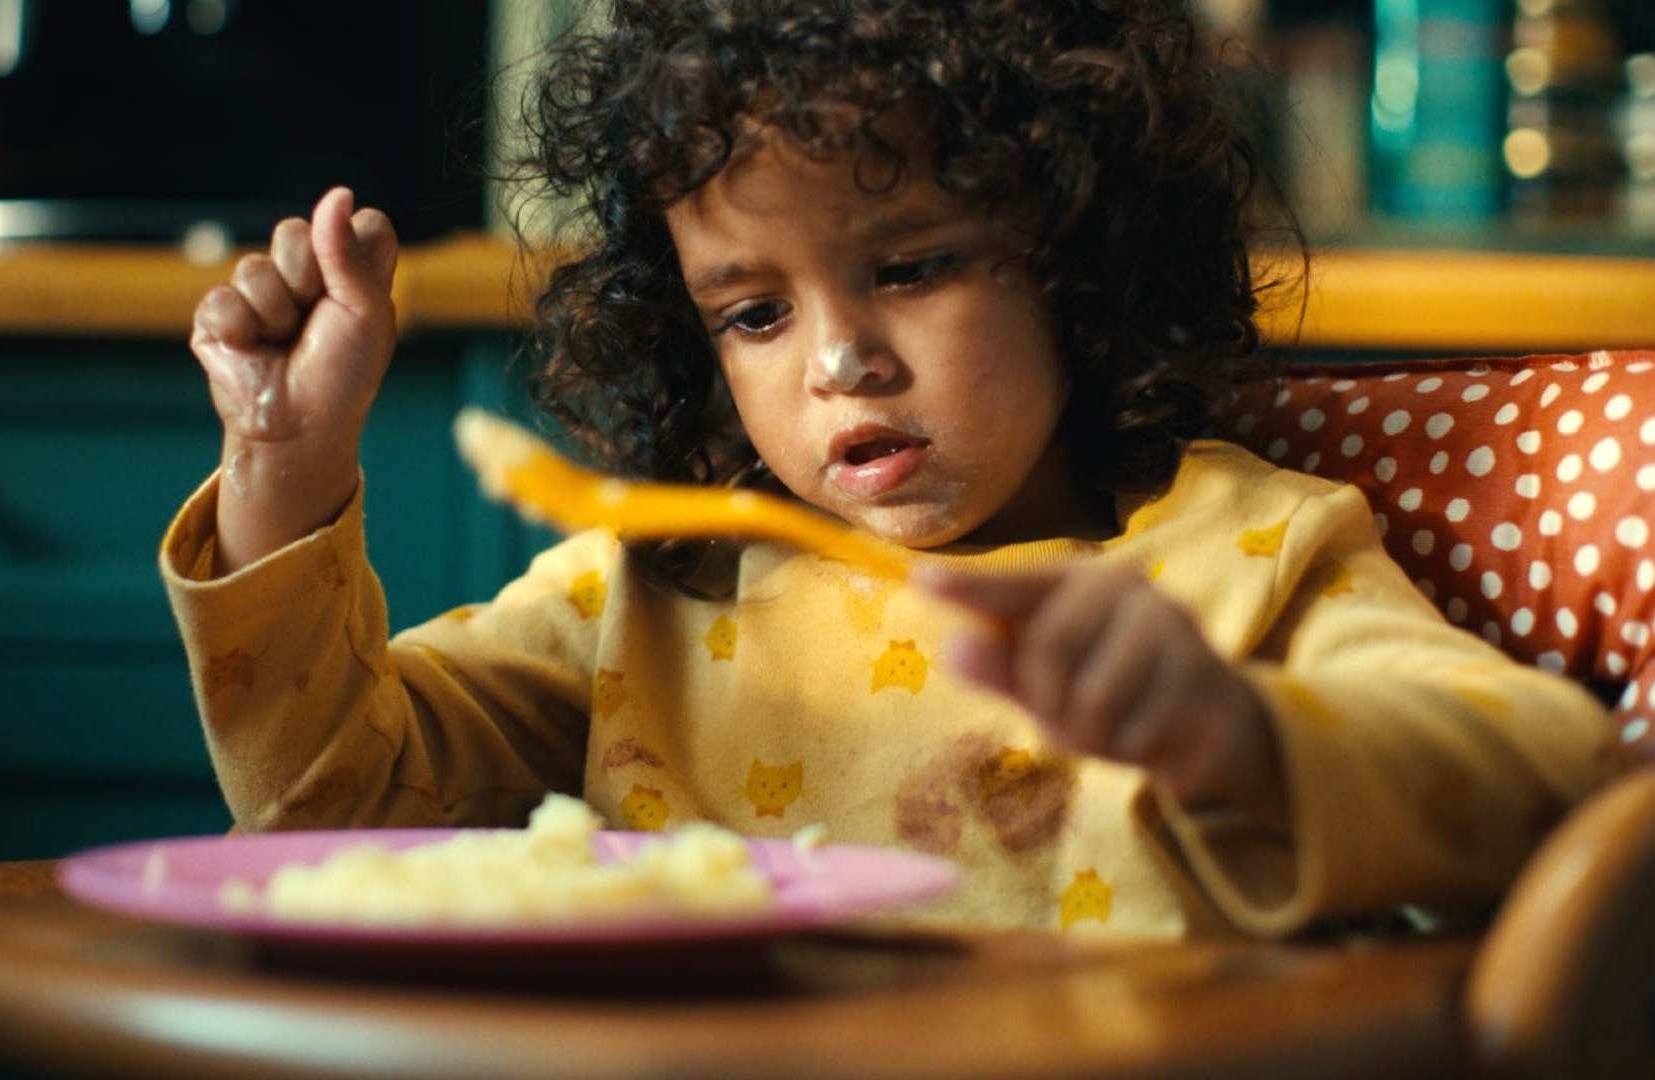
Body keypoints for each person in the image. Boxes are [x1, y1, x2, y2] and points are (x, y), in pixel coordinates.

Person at [162, 0, 1610, 935]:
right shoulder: (653, 587)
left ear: (1078, 256)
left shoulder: (1251, 554)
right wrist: (281, 464)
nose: (837, 361)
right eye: (754, 311)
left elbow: (1552, 779)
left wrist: (1238, 735)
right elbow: (327, 812)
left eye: (911, 266)